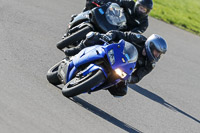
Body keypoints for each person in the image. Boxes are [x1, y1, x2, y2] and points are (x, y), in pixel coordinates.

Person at [64, 30, 168, 97]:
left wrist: (129, 78)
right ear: (151, 46)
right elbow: (120, 34)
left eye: (159, 54)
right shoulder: (139, 39)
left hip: (121, 68)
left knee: (122, 91)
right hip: (113, 53)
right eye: (157, 52)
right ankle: (75, 52)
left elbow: (138, 77)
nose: (157, 55)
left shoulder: (150, 64)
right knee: (93, 37)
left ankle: (94, 84)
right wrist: (109, 36)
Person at [82, 0, 153, 33]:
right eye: (141, 8)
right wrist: (103, 2)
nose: (142, 11)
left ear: (147, 11)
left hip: (119, 34)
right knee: (93, 5)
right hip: (113, 21)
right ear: (137, 5)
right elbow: (116, 2)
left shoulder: (144, 23)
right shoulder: (130, 3)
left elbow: (134, 34)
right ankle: (82, 17)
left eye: (144, 10)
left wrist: (124, 34)